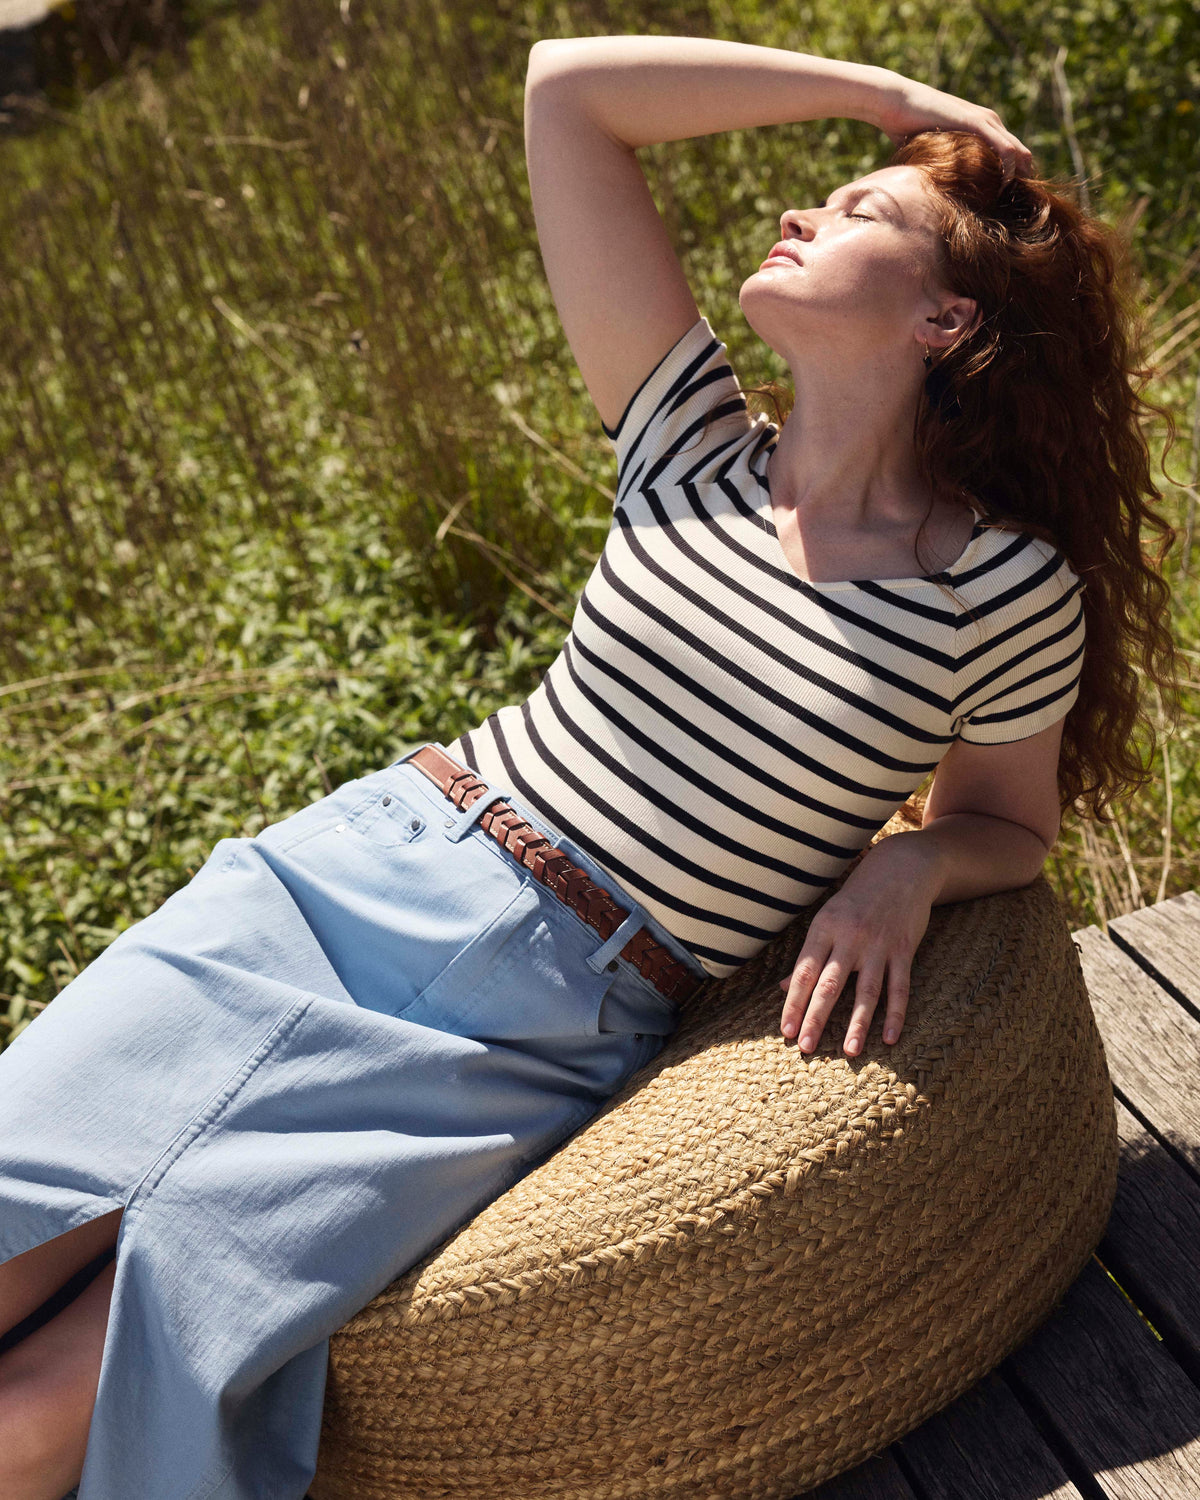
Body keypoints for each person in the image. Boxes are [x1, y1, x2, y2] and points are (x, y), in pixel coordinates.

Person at [0, 31, 1180, 1500]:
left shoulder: (999, 590)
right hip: (344, 882)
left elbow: (1009, 820)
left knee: (83, 1387)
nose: (803, 214)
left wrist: (910, 861)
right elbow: (569, 91)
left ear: (946, 318)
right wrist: (888, 101)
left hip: (544, 1024)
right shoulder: (689, 444)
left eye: (861, 209)